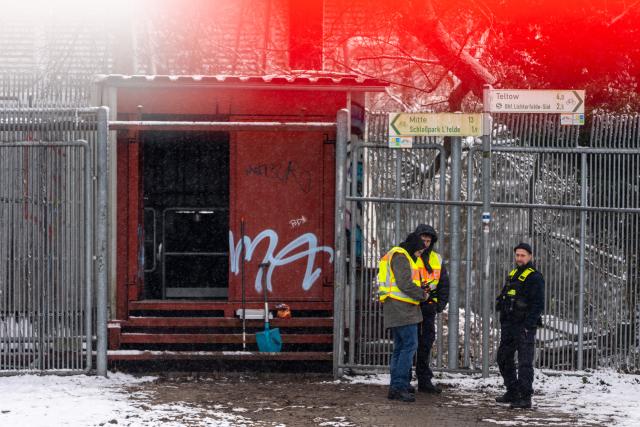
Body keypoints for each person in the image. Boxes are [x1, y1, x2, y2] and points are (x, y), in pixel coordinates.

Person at [377, 232, 429, 402]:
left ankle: (399, 384)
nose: (419, 255)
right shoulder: (401, 256)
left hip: (398, 307)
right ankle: (398, 386)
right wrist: (423, 295)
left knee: (400, 347)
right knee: (409, 345)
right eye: (419, 251)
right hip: (401, 308)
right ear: (414, 246)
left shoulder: (397, 254)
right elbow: (404, 283)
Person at [495, 242, 545, 409]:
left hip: (524, 326)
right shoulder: (514, 273)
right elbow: (505, 295)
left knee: (524, 363)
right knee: (503, 358)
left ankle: (525, 397)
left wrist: (528, 325)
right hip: (509, 324)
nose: (519, 258)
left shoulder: (535, 277)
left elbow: (538, 304)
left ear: (530, 256)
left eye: (523, 255)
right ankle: (513, 390)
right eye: (517, 255)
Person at [413, 224, 450, 394]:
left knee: (426, 344)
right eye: (423, 240)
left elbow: (443, 283)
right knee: (410, 344)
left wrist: (439, 305)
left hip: (428, 308)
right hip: (411, 306)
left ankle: (423, 380)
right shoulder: (410, 256)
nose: (426, 243)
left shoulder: (436, 259)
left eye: (429, 241)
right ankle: (405, 379)